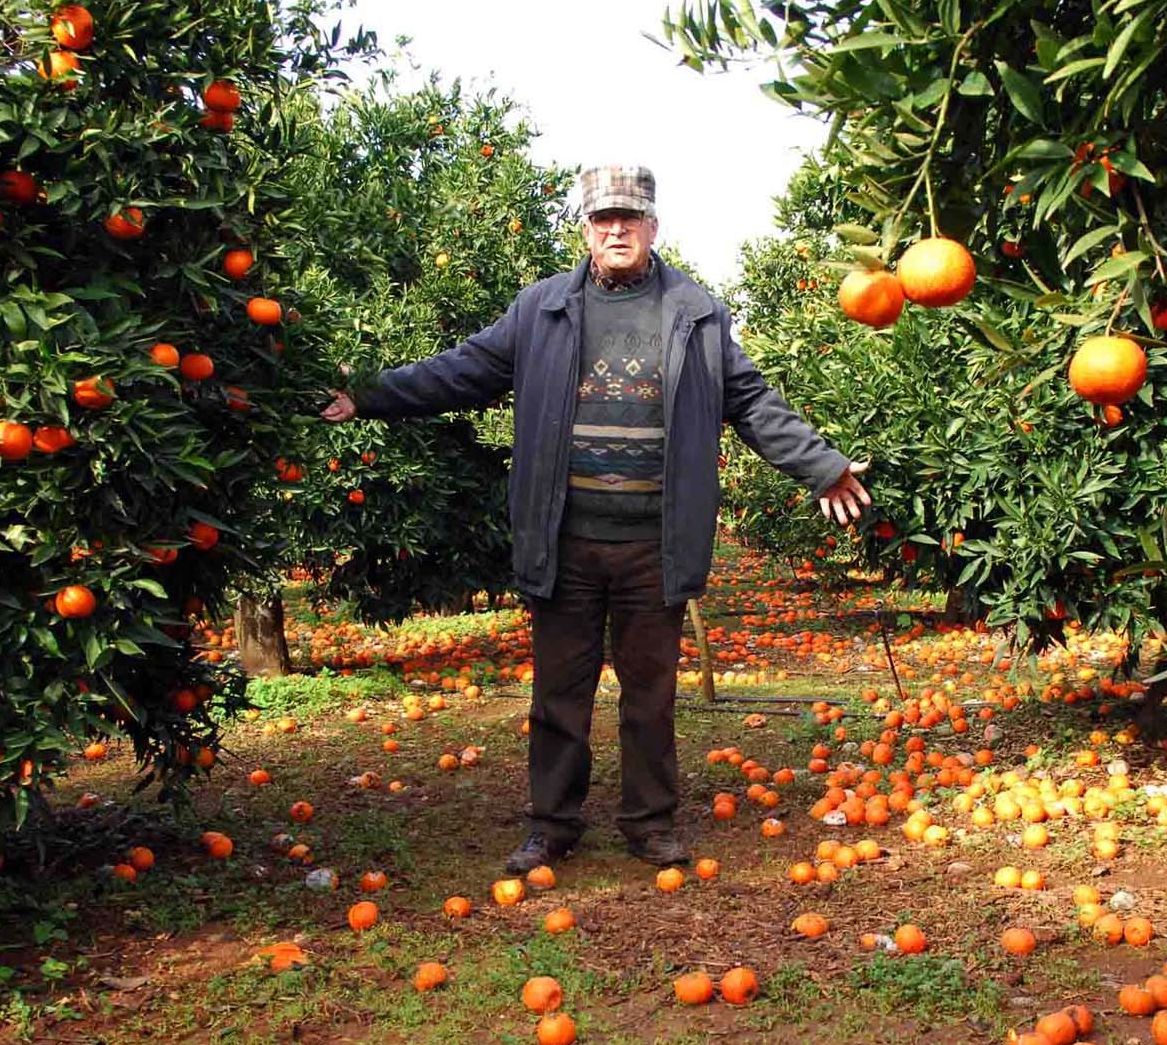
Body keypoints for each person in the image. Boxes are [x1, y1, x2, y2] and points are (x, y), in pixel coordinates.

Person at [321, 164, 869, 873]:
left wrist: (822, 465)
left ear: (653, 227)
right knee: (559, 693)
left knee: (651, 695)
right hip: (564, 536)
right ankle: (551, 825)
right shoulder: (541, 309)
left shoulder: (696, 312)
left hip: (654, 540)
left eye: (630, 218)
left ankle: (651, 824)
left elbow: (754, 401)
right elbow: (461, 370)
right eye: (604, 219)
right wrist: (368, 395)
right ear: (585, 229)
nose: (617, 229)